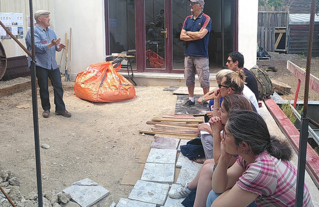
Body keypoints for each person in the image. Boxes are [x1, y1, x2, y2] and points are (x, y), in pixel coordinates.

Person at [207, 110, 313, 207]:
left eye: (226, 133)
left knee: (215, 198)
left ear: (243, 145)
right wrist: (224, 157)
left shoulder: (261, 169)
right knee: (214, 195)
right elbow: (218, 187)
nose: (223, 137)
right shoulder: (252, 152)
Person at [169, 95, 253, 207]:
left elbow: (219, 162)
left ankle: (193, 195)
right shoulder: (240, 127)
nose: (217, 113)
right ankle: (190, 187)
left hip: (244, 185)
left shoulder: (239, 140)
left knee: (209, 169)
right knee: (208, 163)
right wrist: (217, 101)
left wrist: (216, 132)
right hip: (239, 173)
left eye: (221, 111)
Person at [26, 10, 71, 118]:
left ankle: (60, 108)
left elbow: (55, 46)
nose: (49, 19)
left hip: (52, 64)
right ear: (39, 19)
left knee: (58, 86)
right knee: (44, 87)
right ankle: (46, 109)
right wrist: (51, 44)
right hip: (40, 64)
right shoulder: (32, 32)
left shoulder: (51, 31)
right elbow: (36, 47)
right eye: (46, 17)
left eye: (49, 17)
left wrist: (58, 47)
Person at [180, 0, 212, 107]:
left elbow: (201, 36)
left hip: (201, 54)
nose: (190, 5)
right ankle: (191, 99)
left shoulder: (206, 19)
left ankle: (206, 100)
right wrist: (194, 34)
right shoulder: (187, 19)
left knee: (204, 78)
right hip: (188, 53)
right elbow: (181, 36)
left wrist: (188, 33)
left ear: (200, 5)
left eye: (193, 3)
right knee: (189, 77)